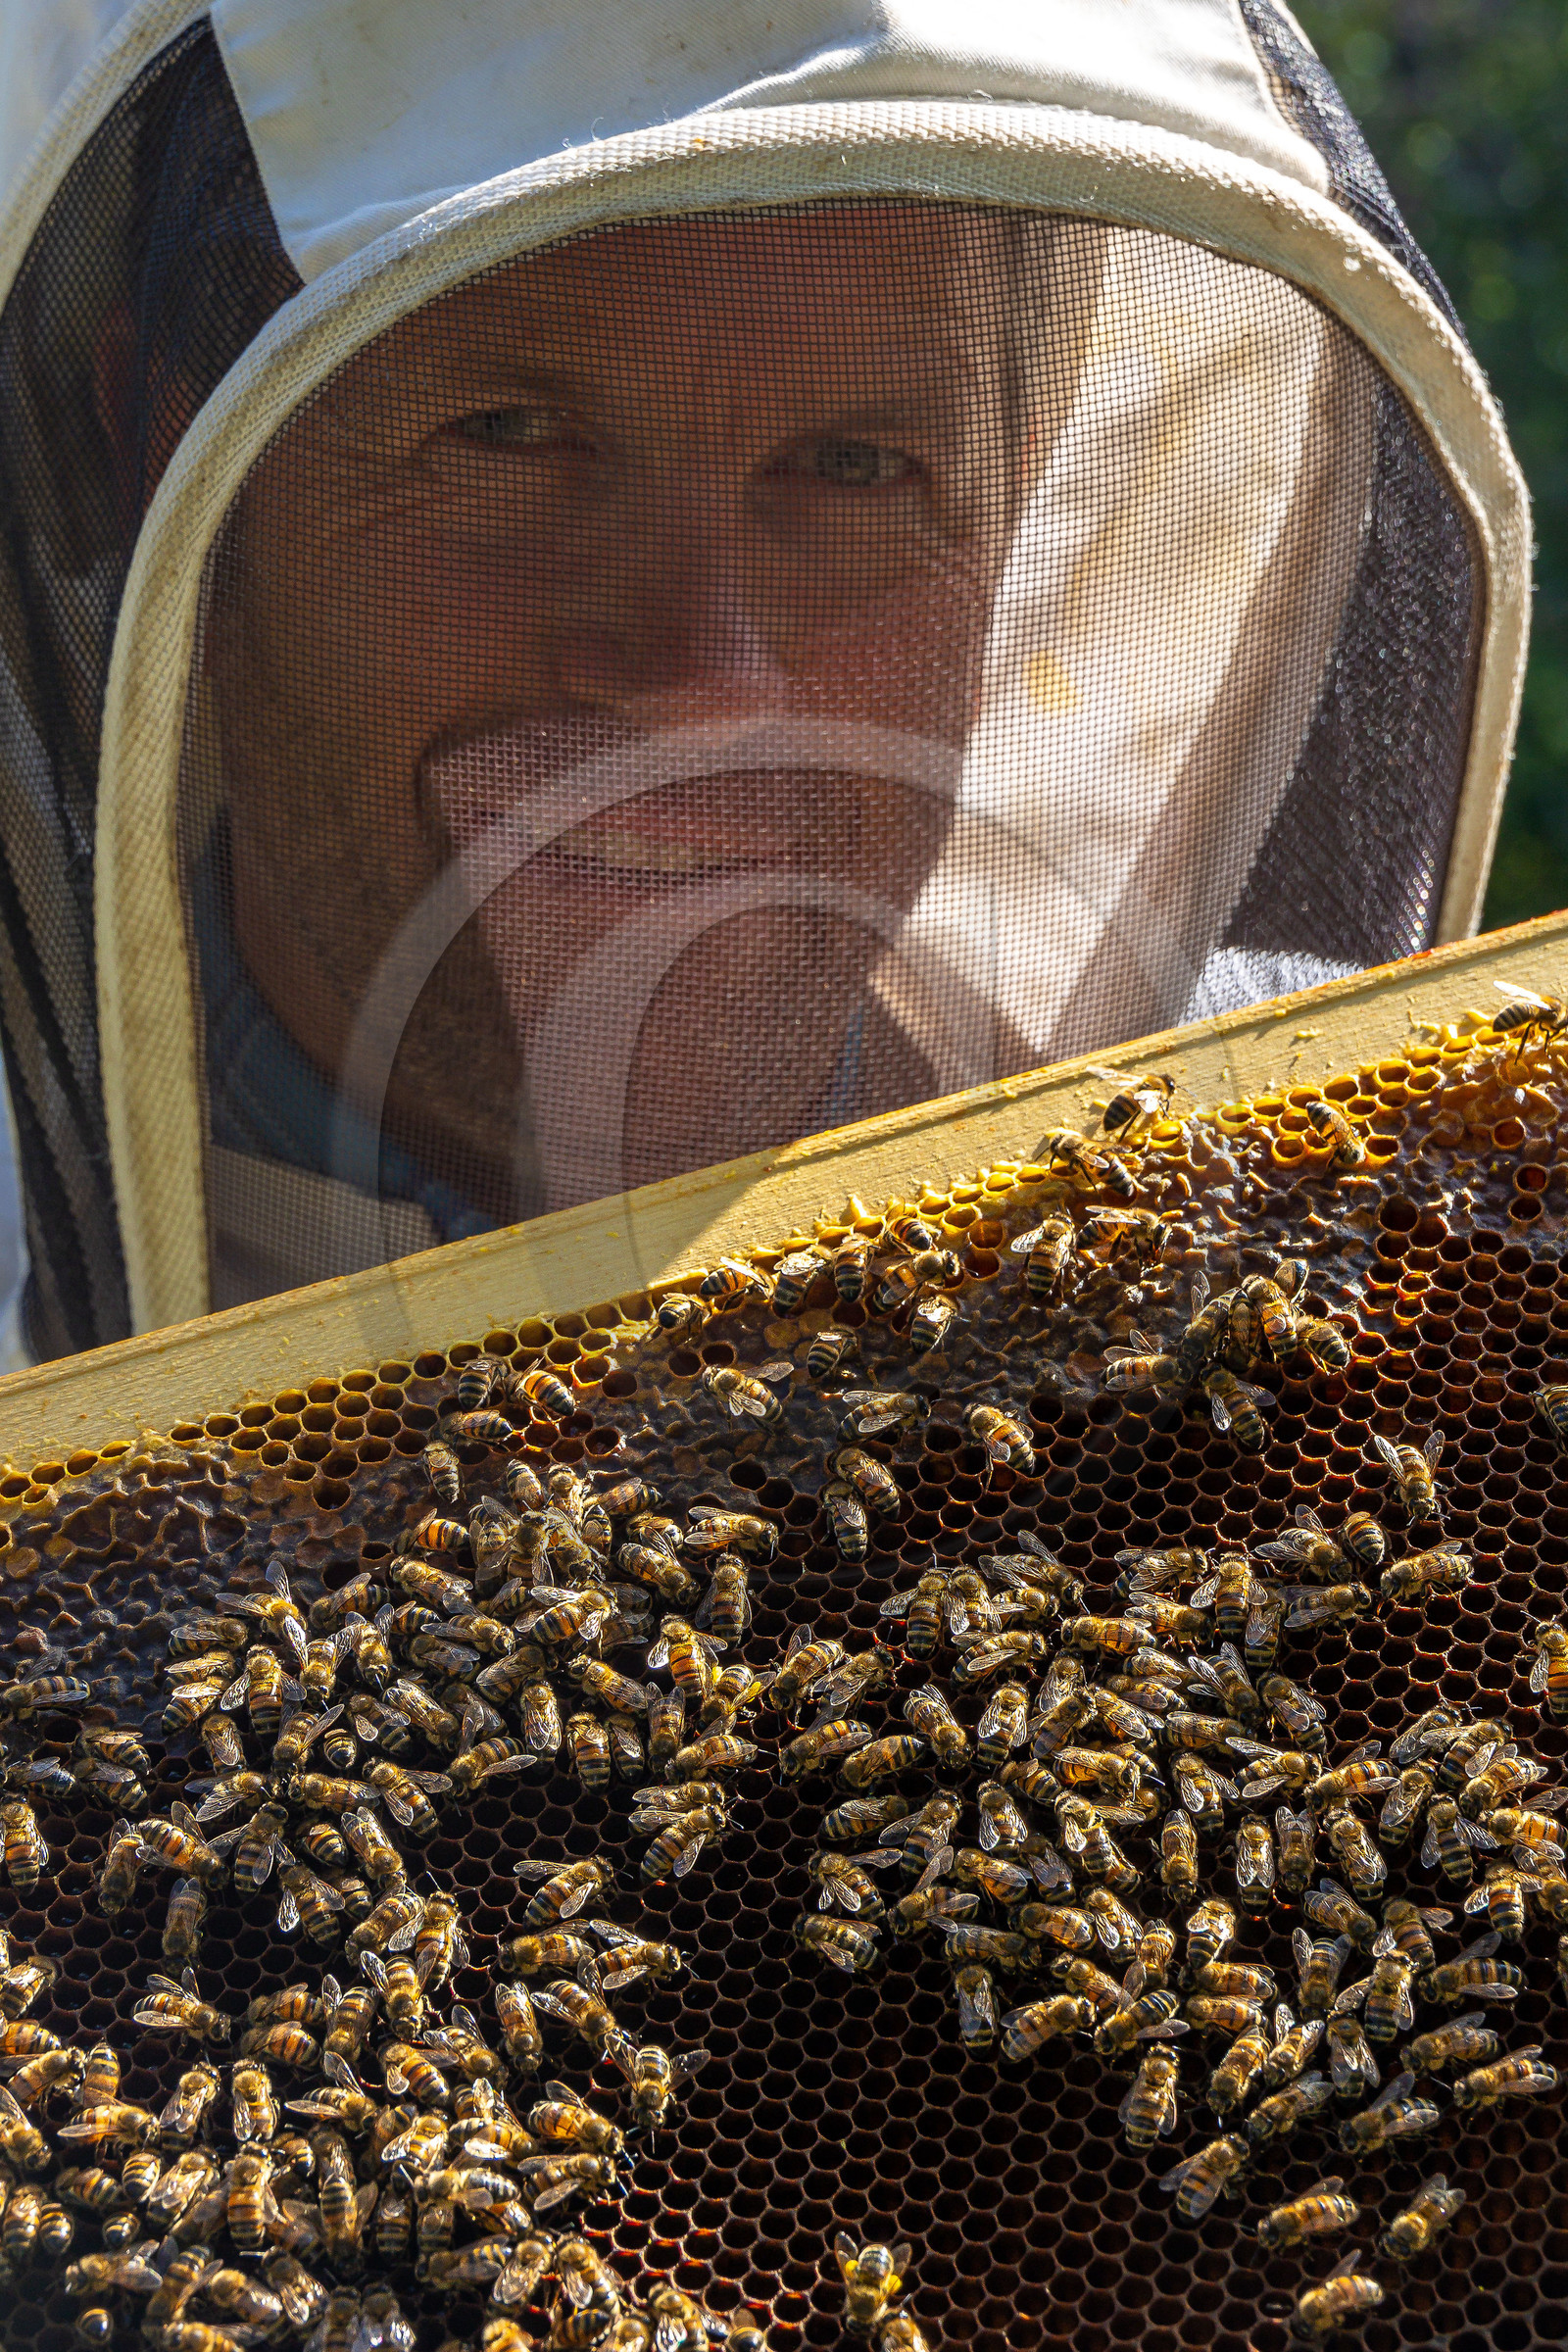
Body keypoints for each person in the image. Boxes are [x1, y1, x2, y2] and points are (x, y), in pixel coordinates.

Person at [0, 0, 1530, 1355]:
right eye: (507, 435)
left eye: (856, 468)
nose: (707, 681)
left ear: (1012, 512)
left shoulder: (1341, 1180)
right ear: (164, 451)